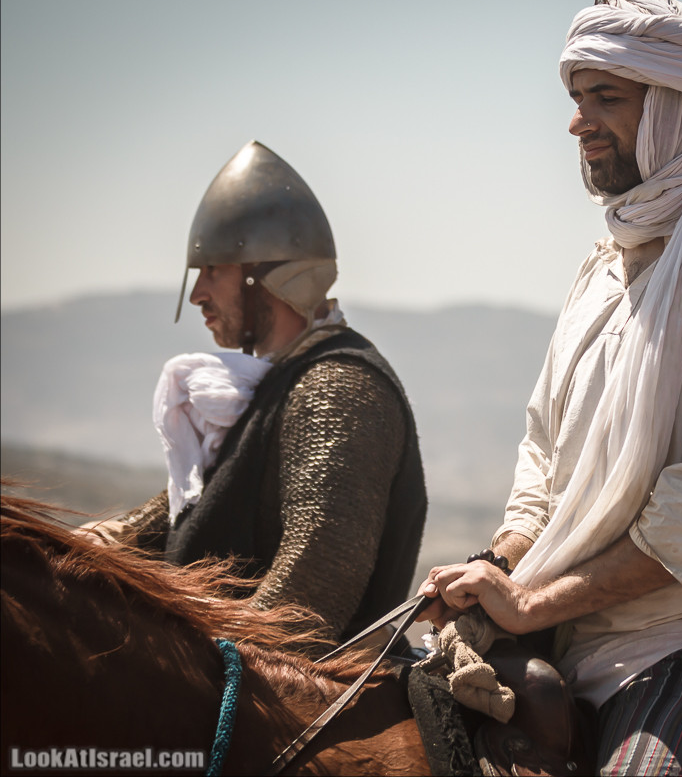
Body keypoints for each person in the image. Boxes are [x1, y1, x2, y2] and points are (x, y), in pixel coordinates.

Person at [418, 0, 682, 775]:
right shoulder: (602, 271)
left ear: (676, 109)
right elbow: (544, 462)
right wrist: (497, 565)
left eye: (605, 97)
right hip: (577, 629)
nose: (578, 122)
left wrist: (531, 603)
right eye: (576, 99)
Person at [86, 140, 428, 644]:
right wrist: (80, 549)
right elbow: (192, 510)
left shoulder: (336, 386)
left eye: (213, 270)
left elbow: (311, 590)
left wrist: (210, 657)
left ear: (264, 277)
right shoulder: (279, 383)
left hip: (297, 686)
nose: (198, 293)